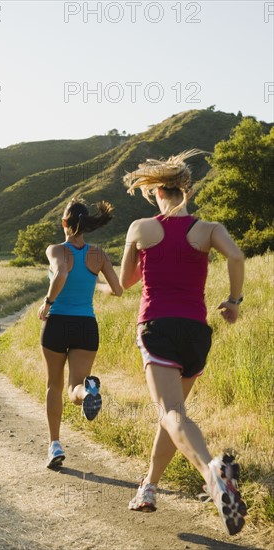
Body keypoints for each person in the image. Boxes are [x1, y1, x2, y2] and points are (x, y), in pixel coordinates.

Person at [119, 150, 247, 536]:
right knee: (173, 415)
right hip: (196, 332)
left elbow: (125, 283)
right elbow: (237, 256)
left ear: (156, 190)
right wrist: (234, 302)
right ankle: (149, 487)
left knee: (172, 414)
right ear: (186, 191)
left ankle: (213, 474)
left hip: (157, 327)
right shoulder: (209, 229)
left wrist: (147, 257)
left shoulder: (141, 227)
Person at [38, 197, 123, 469]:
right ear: (85, 224)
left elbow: (61, 274)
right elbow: (118, 289)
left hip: (57, 323)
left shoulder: (56, 250)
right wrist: (97, 286)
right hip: (86, 326)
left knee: (54, 385)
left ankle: (54, 445)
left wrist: (48, 302)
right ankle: (88, 393)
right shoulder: (98, 254)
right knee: (75, 387)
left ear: (64, 223)